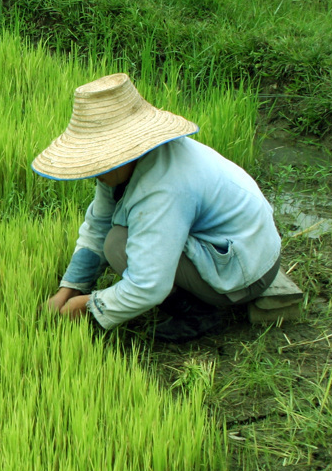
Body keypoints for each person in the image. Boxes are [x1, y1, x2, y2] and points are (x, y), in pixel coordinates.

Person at [32, 73, 281, 343]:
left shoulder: (163, 187)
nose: (95, 171)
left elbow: (147, 286)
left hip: (245, 272)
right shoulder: (123, 167)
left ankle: (198, 314)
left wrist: (87, 307)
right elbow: (98, 225)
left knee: (119, 245)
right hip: (238, 244)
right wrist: (68, 289)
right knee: (115, 236)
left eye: (99, 158)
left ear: (125, 150)